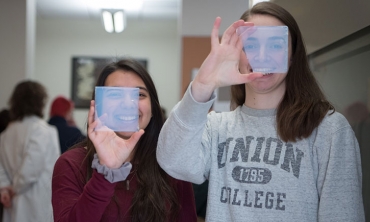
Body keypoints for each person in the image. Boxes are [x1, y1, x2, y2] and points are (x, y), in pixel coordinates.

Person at [156, 2, 364, 222]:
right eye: (251, 45)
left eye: (275, 45)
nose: (262, 55)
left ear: (292, 56)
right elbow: (171, 160)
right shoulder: (216, 128)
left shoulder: (328, 129)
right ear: (238, 55)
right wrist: (203, 84)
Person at [52, 59, 197, 222]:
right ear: (98, 105)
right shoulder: (71, 164)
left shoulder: (171, 164)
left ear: (153, 109)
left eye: (140, 94)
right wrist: (106, 173)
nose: (128, 104)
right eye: (115, 95)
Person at [0, 80, 60, 222]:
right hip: (35, 203)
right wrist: (14, 188)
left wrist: (4, 188)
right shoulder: (44, 130)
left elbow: (1, 167)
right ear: (41, 102)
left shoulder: (6, 133)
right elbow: (31, 169)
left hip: (11, 201)